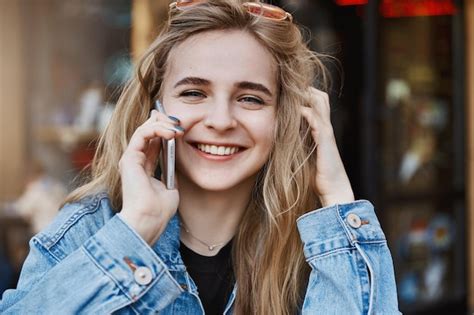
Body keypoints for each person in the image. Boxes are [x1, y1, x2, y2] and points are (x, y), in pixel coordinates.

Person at [0, 1, 400, 314]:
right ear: (154, 105)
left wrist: (338, 198)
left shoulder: (320, 249)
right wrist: (136, 228)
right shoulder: (85, 233)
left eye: (250, 98)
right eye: (194, 93)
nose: (221, 121)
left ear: (285, 117)